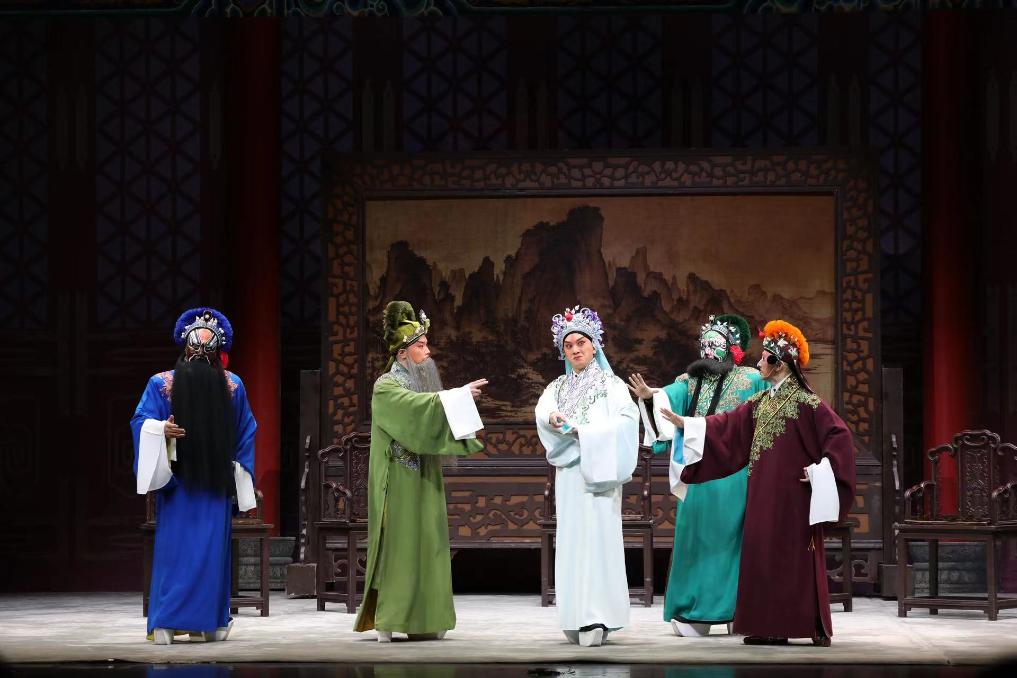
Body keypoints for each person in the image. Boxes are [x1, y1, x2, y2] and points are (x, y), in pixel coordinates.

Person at [661, 320, 855, 646]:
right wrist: (688, 425)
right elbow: (725, 426)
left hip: (794, 497)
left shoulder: (807, 403)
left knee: (792, 558)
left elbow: (839, 437)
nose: (759, 362)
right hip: (762, 494)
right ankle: (768, 626)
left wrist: (820, 471)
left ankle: (806, 625)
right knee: (762, 555)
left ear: (780, 363)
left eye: (765, 358)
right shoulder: (761, 402)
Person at [354, 301, 488, 642]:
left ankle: (428, 619)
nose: (428, 352)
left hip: (424, 476)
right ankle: (389, 619)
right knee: (399, 547)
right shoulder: (386, 386)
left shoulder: (421, 386)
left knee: (429, 543)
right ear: (403, 353)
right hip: (397, 479)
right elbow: (415, 409)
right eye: (421, 346)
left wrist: (455, 400)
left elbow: (429, 410)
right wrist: (457, 396)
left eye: (427, 345)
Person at [628, 314, 766, 637]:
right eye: (704, 344)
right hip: (697, 471)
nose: (708, 351)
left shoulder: (751, 379)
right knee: (693, 539)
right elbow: (667, 396)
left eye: (715, 345)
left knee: (729, 540)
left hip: (734, 474)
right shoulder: (690, 381)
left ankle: (731, 609)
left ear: (732, 349)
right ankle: (692, 607)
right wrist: (650, 396)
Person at [132, 307, 257, 645]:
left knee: (210, 556)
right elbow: (141, 420)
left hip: (215, 484)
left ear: (217, 353)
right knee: (176, 554)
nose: (199, 354)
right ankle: (168, 621)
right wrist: (160, 429)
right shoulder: (161, 384)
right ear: (184, 349)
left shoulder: (233, 386)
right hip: (178, 485)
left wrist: (238, 475)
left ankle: (208, 622)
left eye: (206, 349)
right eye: (194, 348)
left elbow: (245, 430)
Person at [535, 305, 639, 647]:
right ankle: (574, 615)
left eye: (581, 342)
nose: (575, 349)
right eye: (568, 345)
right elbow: (543, 410)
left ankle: (597, 616)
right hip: (569, 475)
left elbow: (627, 422)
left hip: (599, 472)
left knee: (598, 541)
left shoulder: (612, 385)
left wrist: (586, 434)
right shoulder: (557, 386)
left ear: (595, 345)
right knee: (572, 543)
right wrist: (551, 417)